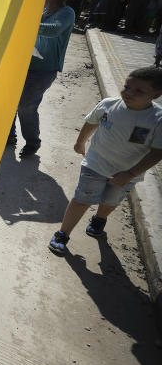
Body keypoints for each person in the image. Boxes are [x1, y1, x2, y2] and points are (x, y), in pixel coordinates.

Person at [48, 67, 162, 255]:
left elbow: (158, 152)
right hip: (95, 163)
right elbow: (92, 121)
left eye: (139, 91)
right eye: (127, 87)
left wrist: (131, 173)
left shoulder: (157, 119)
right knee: (81, 199)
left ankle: (99, 219)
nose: (128, 93)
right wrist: (80, 142)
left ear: (156, 95)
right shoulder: (109, 105)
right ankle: (62, 234)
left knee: (111, 200)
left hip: (127, 173)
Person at [8, 0, 76, 159]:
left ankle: (32, 143)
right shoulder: (44, 10)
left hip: (44, 69)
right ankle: (9, 136)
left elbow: (53, 30)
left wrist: (25, 24)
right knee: (11, 100)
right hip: (24, 64)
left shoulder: (67, 13)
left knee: (26, 105)